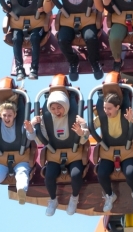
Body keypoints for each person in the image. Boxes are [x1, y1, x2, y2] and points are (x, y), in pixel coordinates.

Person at [26, 87, 88, 217]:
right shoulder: (46, 119)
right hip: (55, 153)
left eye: (59, 107)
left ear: (65, 106)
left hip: (74, 152)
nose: (56, 111)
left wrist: (82, 131)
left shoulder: (75, 117)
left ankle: (74, 198)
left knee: (76, 174)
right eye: (53, 108)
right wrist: (32, 129)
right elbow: (40, 141)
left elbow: (84, 139)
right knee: (49, 176)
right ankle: (53, 200)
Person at [43, 0, 104, 81]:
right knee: (62, 40)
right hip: (68, 18)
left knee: (90, 38)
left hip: (87, 17)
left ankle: (94, 61)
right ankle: (73, 61)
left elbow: (100, 8)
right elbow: (47, 9)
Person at [91, 89, 133, 213]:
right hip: (109, 151)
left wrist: (132, 119)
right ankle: (110, 195)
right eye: (105, 108)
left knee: (130, 173)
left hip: (127, 150)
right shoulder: (102, 117)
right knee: (101, 174)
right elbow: (90, 128)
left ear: (117, 107)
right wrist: (82, 128)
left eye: (109, 108)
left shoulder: (126, 114)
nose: (106, 111)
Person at [5, 0, 45, 80]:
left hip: (36, 23)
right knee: (16, 38)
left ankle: (34, 69)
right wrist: (7, 7)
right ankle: (19, 69)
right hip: (19, 24)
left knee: (34, 37)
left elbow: (45, 5)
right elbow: (7, 5)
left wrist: (43, 8)